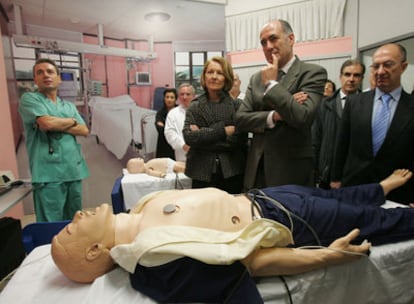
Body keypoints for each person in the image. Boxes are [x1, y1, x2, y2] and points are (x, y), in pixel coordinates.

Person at [51, 169, 414, 303]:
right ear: (94, 251)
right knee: (374, 222)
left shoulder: (141, 208)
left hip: (265, 195)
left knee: (338, 195)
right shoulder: (155, 260)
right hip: (289, 221)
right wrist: (327, 256)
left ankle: (379, 188)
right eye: (72, 227)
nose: (78, 215)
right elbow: (250, 264)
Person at [235, 19, 327, 190]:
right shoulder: (256, 78)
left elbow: (302, 116)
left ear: (291, 39)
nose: (268, 46)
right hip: (256, 170)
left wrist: (271, 84)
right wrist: (275, 116)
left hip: (290, 172)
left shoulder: (312, 73)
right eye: (263, 42)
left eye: (273, 39)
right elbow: (240, 119)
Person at [331, 43, 414, 205]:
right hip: (354, 186)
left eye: (388, 65)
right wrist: (335, 178)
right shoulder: (354, 102)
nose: (381, 71)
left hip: (398, 191)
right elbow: (342, 143)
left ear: (403, 67)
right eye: (376, 66)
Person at [18, 58, 89, 222]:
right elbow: (47, 123)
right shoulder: (30, 99)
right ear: (35, 79)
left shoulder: (68, 106)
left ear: (59, 78)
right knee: (51, 224)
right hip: (48, 174)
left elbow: (84, 130)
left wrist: (58, 123)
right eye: (40, 72)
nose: (46, 75)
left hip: (72, 170)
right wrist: (72, 122)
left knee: (75, 222)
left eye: (50, 72)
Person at [183, 57, 247, 194]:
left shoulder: (237, 106)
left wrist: (202, 135)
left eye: (219, 73)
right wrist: (223, 131)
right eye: (210, 72)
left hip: (232, 172)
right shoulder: (195, 106)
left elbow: (238, 140)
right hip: (201, 173)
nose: (214, 77)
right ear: (204, 76)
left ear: (227, 77)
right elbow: (189, 138)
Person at [313, 59, 365, 188]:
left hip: (356, 176)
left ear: (362, 78)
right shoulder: (324, 105)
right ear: (340, 77)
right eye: (347, 74)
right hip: (326, 174)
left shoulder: (368, 106)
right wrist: (315, 171)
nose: (351, 79)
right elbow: (315, 140)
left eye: (356, 75)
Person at [164, 83, 195, 162]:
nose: (184, 97)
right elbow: (169, 133)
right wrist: (183, 145)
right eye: (182, 94)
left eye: (188, 94)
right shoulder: (173, 113)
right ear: (178, 97)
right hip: (181, 157)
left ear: (193, 96)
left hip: (201, 156)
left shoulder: (201, 111)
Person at [155, 88, 177, 159]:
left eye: (172, 97)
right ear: (164, 99)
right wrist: (173, 129)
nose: (169, 99)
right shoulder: (160, 113)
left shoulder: (180, 111)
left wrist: (165, 127)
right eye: (167, 97)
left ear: (175, 99)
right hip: (163, 146)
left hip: (177, 145)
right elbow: (160, 130)